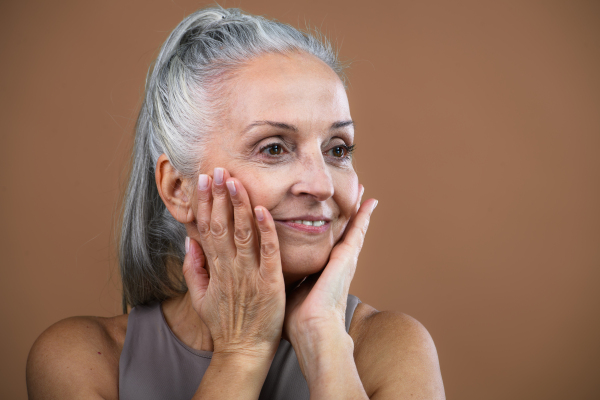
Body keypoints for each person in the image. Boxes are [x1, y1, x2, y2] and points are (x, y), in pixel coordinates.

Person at [26, 6, 445, 399]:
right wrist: (241, 351)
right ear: (178, 189)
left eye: (337, 149)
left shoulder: (391, 347)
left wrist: (324, 341)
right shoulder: (80, 358)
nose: (321, 185)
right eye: (275, 148)